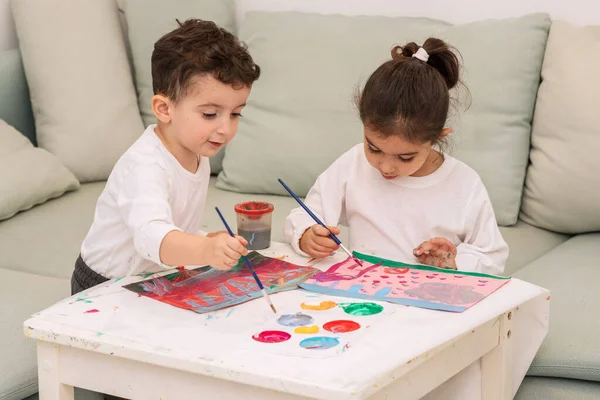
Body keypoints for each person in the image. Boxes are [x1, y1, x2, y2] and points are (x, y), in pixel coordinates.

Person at [284, 38, 508, 275]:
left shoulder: (464, 184)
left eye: (405, 158)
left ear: (437, 137)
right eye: (374, 148)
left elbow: (492, 255)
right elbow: (304, 215)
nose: (386, 167)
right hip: (361, 297)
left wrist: (454, 261)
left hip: (430, 301)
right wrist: (307, 235)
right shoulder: (353, 163)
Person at [71, 19, 260, 295]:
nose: (225, 128)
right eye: (209, 114)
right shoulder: (144, 165)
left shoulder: (195, 150)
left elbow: (169, 223)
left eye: (235, 114)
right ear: (164, 108)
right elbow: (152, 236)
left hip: (153, 277)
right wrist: (205, 250)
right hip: (105, 285)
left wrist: (205, 239)